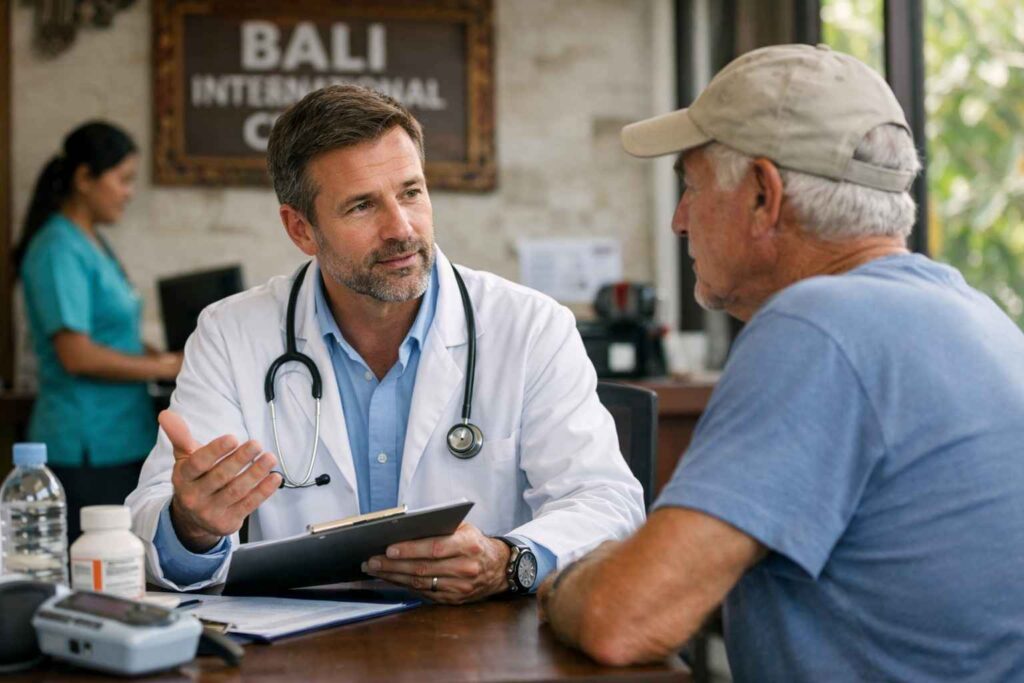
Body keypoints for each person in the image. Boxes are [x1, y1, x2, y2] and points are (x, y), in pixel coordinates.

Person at [539, 44, 1024, 680]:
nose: (680, 220)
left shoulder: (818, 326)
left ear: (764, 196)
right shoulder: (978, 315)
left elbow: (622, 619)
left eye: (691, 186)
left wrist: (570, 580)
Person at [125, 85, 645, 602]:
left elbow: (605, 501)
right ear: (301, 229)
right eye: (361, 206)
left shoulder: (530, 326)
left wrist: (509, 561)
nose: (400, 228)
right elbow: (151, 520)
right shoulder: (231, 334)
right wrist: (191, 525)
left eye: (411, 192)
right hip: (299, 652)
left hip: (481, 646)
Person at [14, 121, 183, 543]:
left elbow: (115, 334)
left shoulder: (93, 242)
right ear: (84, 178)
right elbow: (77, 354)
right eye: (123, 180)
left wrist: (164, 353)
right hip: (85, 444)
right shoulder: (57, 247)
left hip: (122, 438)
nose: (129, 193)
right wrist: (162, 365)